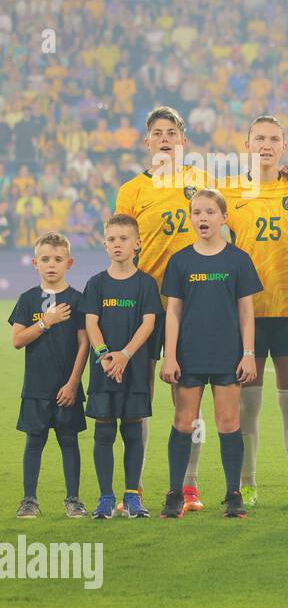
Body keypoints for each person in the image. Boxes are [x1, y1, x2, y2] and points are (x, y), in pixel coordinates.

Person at [114, 106, 216, 513]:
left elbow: (235, 208)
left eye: (171, 132)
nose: (164, 138)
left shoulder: (202, 182)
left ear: (183, 142)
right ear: (147, 141)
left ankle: (188, 488)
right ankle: (133, 489)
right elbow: (122, 243)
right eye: (157, 132)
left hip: (192, 305)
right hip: (145, 304)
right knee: (137, 398)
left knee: (187, 399)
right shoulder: (131, 190)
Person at [224, 115, 288, 510]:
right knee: (248, 405)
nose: (266, 144)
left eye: (274, 139)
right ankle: (248, 485)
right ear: (247, 145)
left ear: (284, 147)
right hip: (245, 312)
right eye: (259, 138)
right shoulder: (227, 190)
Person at [159, 190, 262, 519]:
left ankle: (234, 494)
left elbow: (247, 312)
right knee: (183, 421)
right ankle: (176, 493)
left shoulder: (238, 260)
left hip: (227, 354)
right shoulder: (180, 261)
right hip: (189, 354)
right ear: (190, 218)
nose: (202, 218)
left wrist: (248, 353)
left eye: (209, 212)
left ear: (223, 218)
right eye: (196, 212)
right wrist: (170, 355)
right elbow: (172, 312)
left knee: (229, 422)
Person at [81, 214, 162, 520]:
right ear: (104, 245)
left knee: (132, 431)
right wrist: (104, 355)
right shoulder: (96, 283)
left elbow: (149, 323)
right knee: (103, 432)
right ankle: (105, 498)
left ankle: (131, 496)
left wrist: (125, 355)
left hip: (134, 369)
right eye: (112, 239)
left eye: (124, 239)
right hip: (104, 370)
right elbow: (91, 322)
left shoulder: (145, 284)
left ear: (137, 244)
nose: (117, 244)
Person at [9, 232, 88, 518]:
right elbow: (17, 340)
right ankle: (29, 500)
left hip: (67, 388)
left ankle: (74, 500)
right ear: (34, 263)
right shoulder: (27, 299)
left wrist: (73, 383)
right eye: (45, 259)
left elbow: (84, 344)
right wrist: (46, 321)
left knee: (69, 442)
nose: (51, 264)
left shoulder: (78, 300)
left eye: (57, 259)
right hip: (35, 389)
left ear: (69, 262)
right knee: (34, 443)